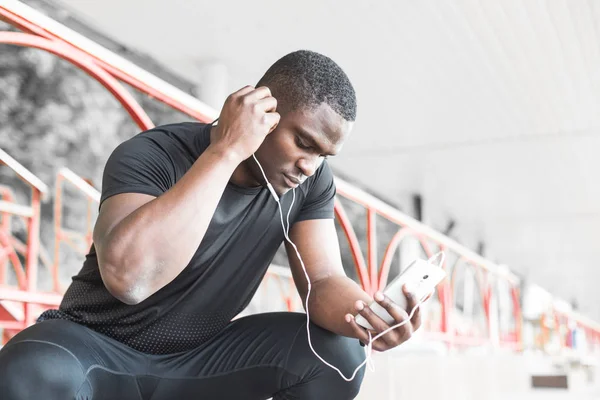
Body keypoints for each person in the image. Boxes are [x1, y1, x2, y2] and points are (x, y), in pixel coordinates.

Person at [0, 50, 424, 399]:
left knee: (339, 353)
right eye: (303, 142)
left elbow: (325, 280)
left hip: (195, 363)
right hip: (95, 351)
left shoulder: (311, 182)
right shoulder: (153, 154)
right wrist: (226, 152)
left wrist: (370, 317)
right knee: (31, 369)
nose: (308, 165)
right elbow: (130, 277)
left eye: (324, 156)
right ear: (262, 110)